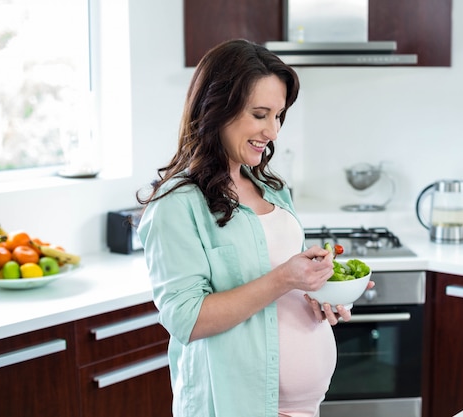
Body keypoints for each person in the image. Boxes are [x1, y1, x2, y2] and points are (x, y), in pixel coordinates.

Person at [136, 39, 371, 417]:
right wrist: (284, 279)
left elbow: (286, 281)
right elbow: (187, 319)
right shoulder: (177, 204)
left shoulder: (272, 188)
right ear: (216, 109)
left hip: (304, 407)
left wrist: (322, 292)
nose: (273, 132)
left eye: (278, 115)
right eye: (260, 114)